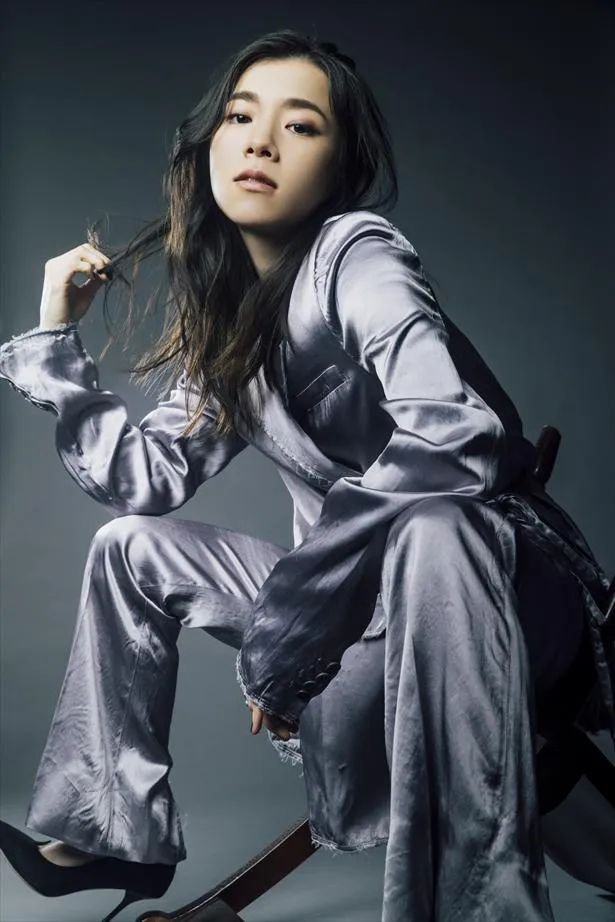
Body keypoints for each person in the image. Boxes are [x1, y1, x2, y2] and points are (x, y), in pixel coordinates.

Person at [0, 27, 613, 922]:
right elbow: (144, 480)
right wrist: (57, 341)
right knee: (128, 546)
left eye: (300, 126)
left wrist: (297, 623)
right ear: (208, 144)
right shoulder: (231, 322)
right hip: (357, 605)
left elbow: (454, 436)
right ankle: (110, 831)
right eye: (240, 117)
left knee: (433, 529)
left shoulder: (359, 254)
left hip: (490, 581)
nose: (260, 141)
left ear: (339, 168)